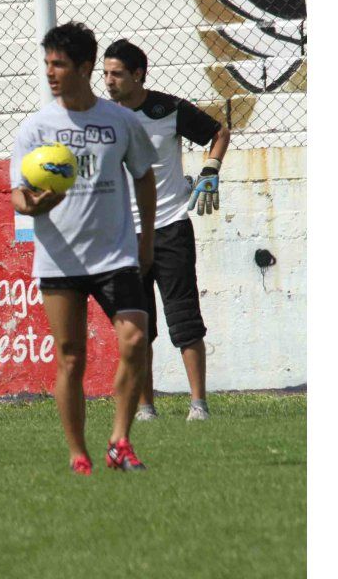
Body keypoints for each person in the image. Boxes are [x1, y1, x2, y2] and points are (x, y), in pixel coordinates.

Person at [10, 22, 159, 475]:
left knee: (135, 340)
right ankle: (79, 454)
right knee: (71, 356)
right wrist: (35, 205)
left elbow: (144, 176)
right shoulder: (37, 128)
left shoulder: (120, 122)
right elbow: (18, 194)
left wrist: (146, 239)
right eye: (48, 63)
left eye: (60, 64)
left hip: (115, 255)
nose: (51, 73)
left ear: (86, 67)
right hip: (60, 258)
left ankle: (120, 440)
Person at [103, 38, 230, 422]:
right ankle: (145, 408)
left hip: (171, 227)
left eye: (117, 74)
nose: (108, 81)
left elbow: (218, 132)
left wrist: (210, 170)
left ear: (138, 75)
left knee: (184, 318)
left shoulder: (168, 109)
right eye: (105, 73)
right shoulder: (102, 118)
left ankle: (199, 405)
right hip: (124, 234)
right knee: (136, 325)